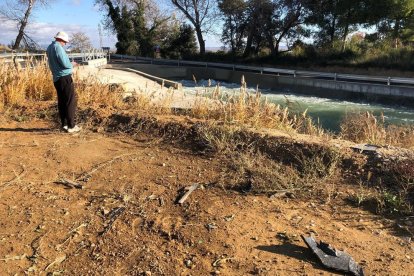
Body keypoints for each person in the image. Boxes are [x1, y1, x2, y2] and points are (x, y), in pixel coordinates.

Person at [46, 31, 81, 133]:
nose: (65, 44)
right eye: (65, 41)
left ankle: (64, 124)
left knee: (62, 101)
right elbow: (65, 64)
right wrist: (72, 64)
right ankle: (71, 126)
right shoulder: (58, 47)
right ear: (61, 40)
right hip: (64, 77)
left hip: (56, 78)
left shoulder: (49, 47)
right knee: (70, 101)